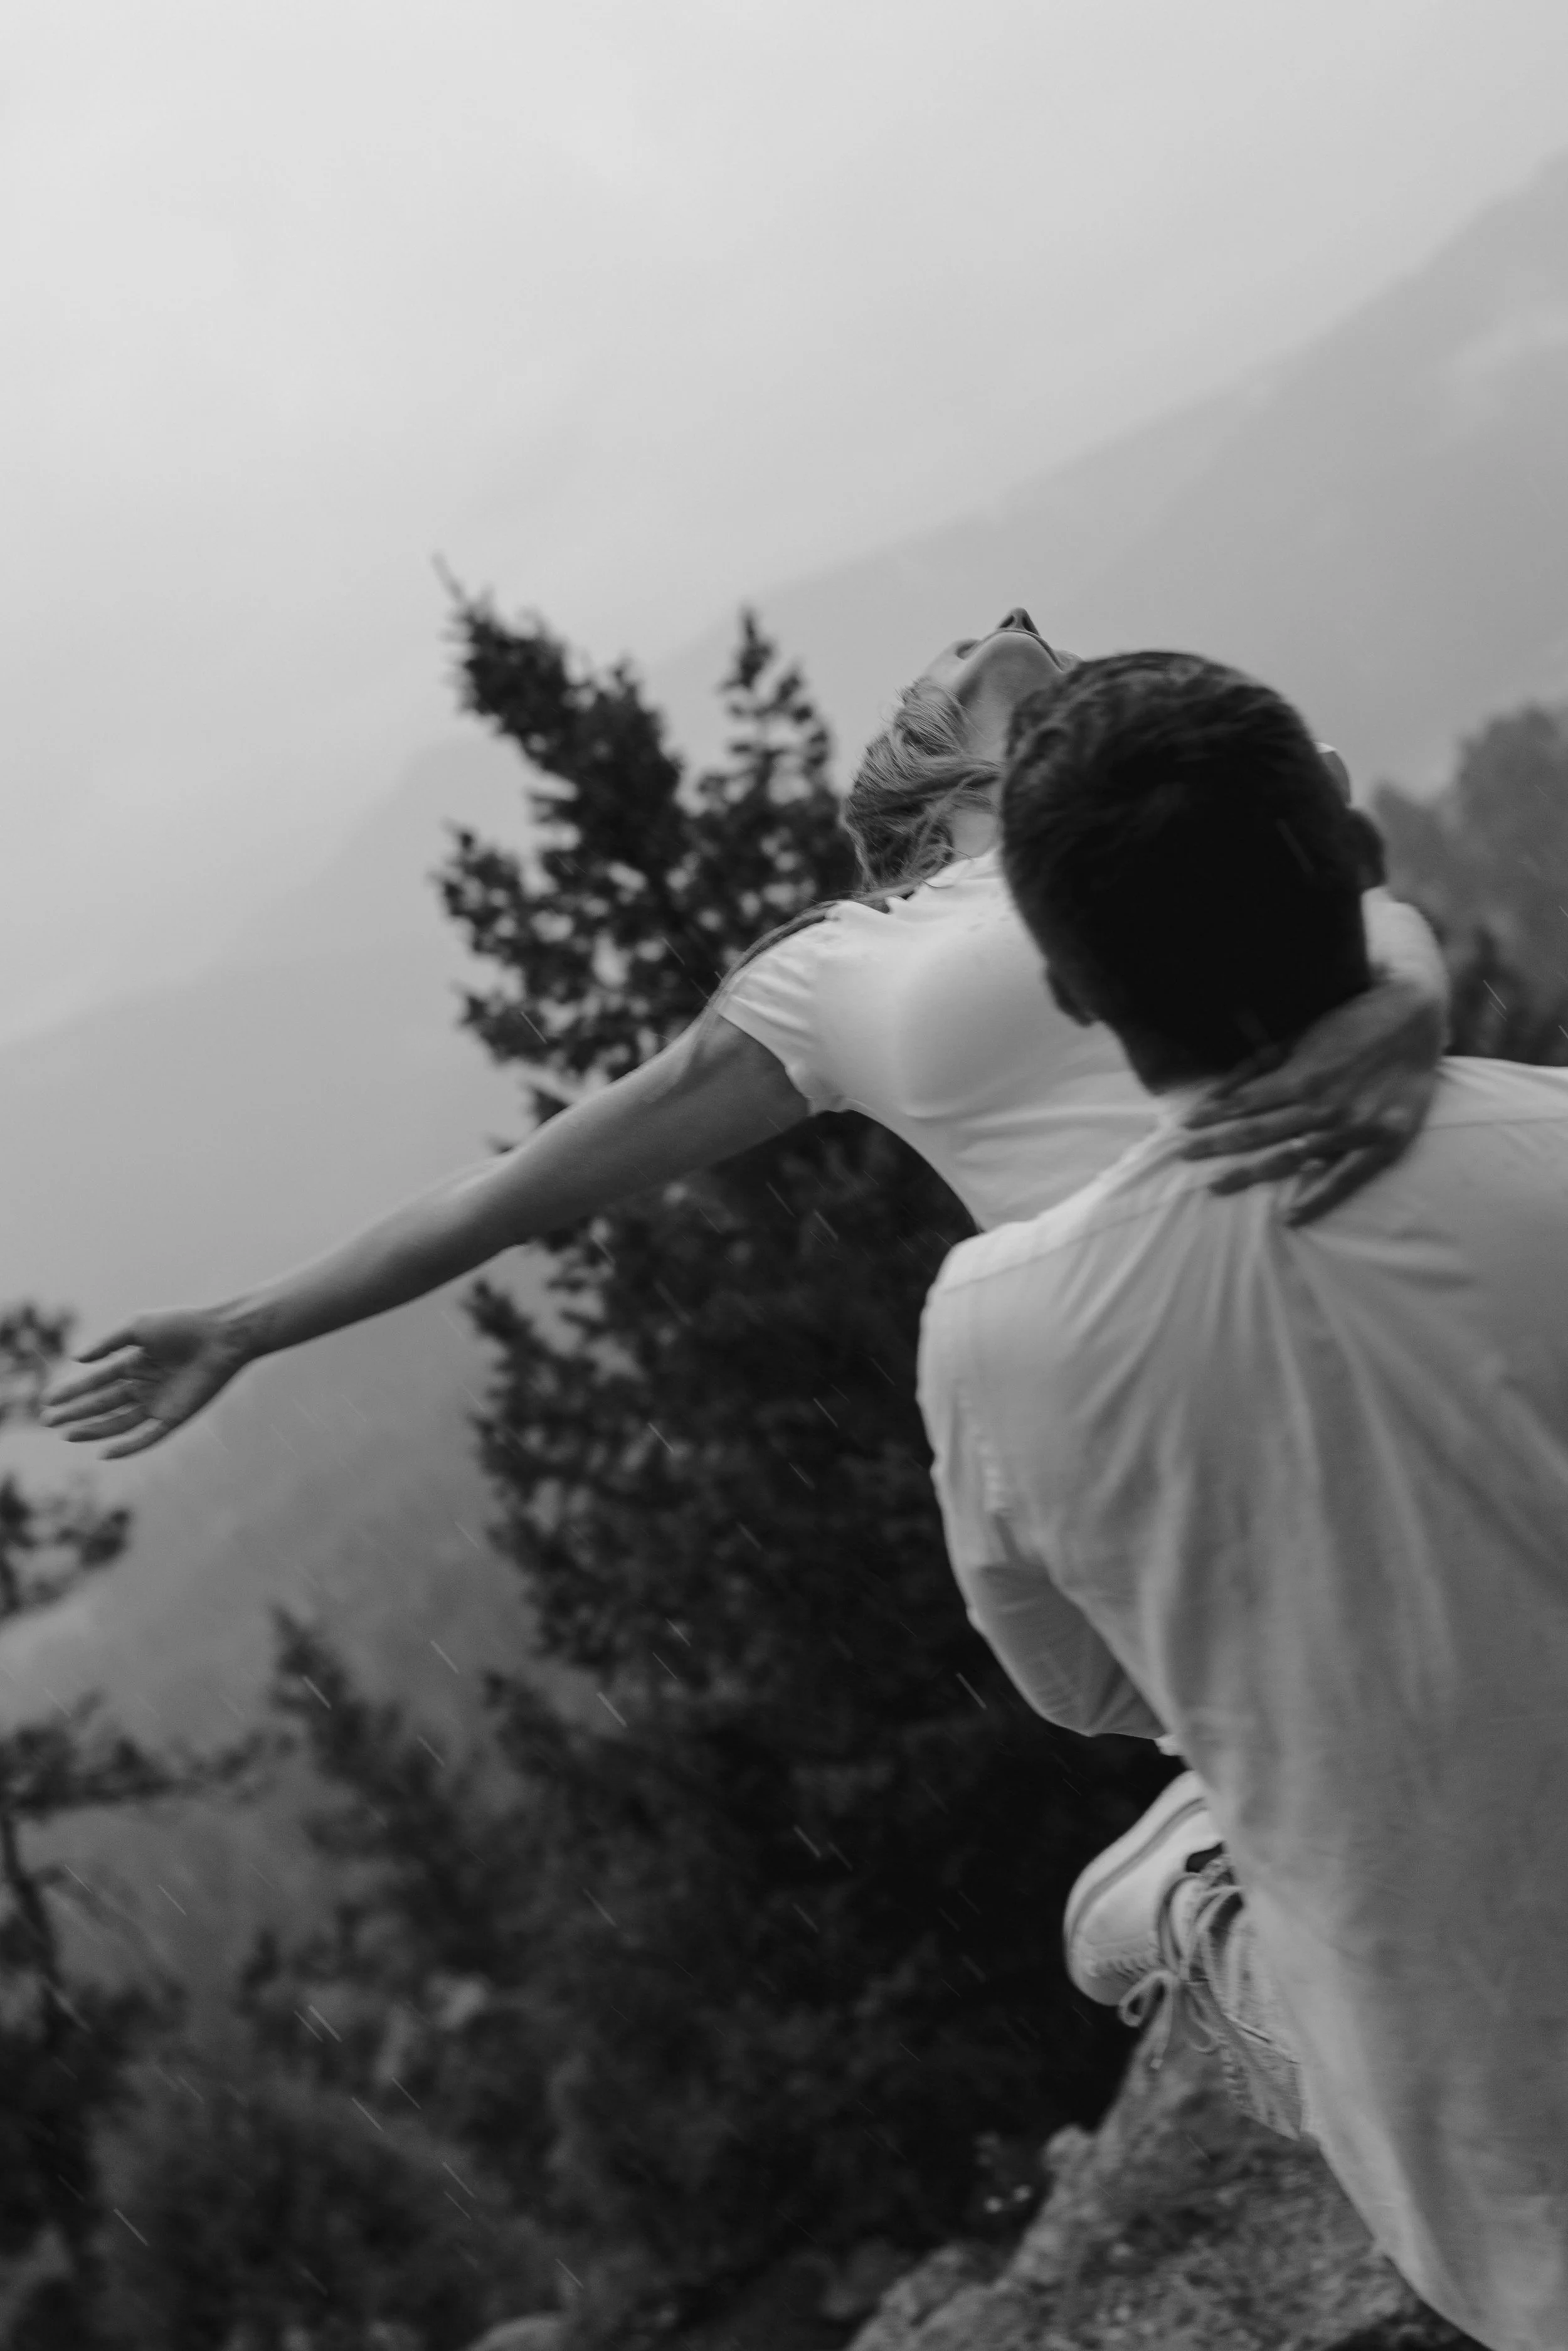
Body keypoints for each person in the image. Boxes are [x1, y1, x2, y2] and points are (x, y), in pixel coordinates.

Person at [43, 614, 1448, 1458]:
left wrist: (1403, 1003)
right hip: (1165, 1360)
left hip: (1417, 1243)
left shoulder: (1180, 795)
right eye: (978, 646)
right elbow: (500, 1198)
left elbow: (1361, 898)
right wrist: (245, 1323)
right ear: (910, 775)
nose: (1017, 630)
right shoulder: (838, 968)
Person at [916, 649, 1568, 2351]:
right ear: (1357, 838)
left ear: (1067, 992)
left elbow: (1089, 1687)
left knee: (1141, 1898)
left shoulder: (993, 1327)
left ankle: (1205, 1888)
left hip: (1499, 2220)